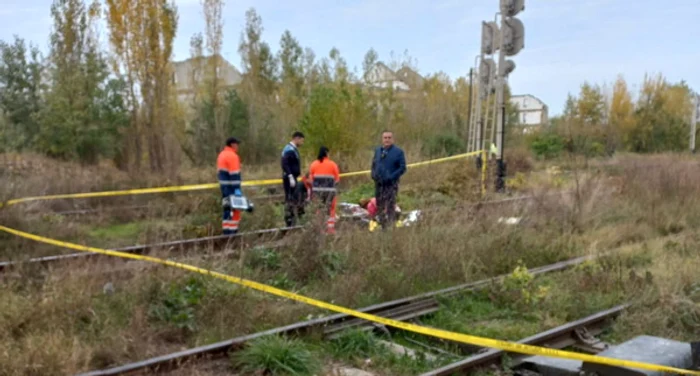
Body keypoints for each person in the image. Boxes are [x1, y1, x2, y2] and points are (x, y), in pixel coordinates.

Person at [371, 130, 406, 228]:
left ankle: (391, 226)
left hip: (391, 184)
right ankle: (383, 226)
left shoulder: (398, 152)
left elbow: (402, 168)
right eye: (385, 138)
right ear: (382, 139)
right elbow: (374, 164)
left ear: (393, 139)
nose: (387, 140)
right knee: (380, 206)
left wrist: (392, 177)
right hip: (379, 183)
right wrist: (373, 174)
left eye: (389, 138)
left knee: (390, 205)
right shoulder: (378, 151)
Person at [309, 146, 340, 234]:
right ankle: (330, 229)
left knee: (319, 209)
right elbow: (337, 179)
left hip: (317, 192)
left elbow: (311, 179)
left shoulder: (313, 164)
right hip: (330, 192)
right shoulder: (332, 164)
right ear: (326, 153)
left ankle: (319, 228)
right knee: (331, 209)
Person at [217, 137, 242, 235]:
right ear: (233, 144)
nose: (238, 146)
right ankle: (233, 232)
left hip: (224, 187)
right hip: (232, 187)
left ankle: (226, 232)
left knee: (227, 209)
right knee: (235, 210)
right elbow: (234, 174)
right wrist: (237, 190)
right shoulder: (232, 156)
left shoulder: (221, 155)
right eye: (237, 144)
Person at [281, 131, 305, 226]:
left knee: (293, 198)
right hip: (289, 178)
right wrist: (290, 175)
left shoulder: (292, 149)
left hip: (292, 177)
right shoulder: (289, 149)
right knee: (290, 198)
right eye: (301, 141)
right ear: (297, 138)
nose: (302, 143)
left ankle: (292, 219)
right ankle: (289, 220)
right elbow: (284, 163)